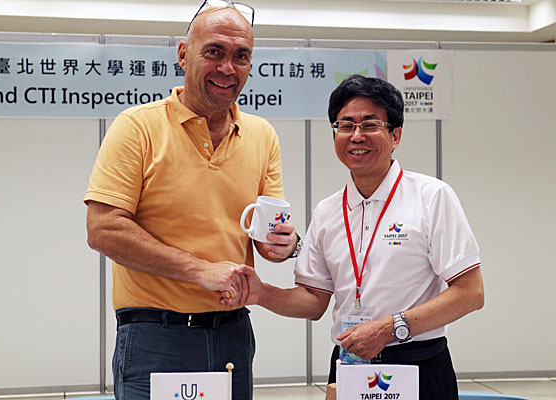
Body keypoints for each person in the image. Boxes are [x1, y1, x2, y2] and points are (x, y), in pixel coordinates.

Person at [84, 2, 299, 400]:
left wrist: (284, 244)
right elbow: (103, 230)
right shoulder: (137, 127)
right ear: (183, 54)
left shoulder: (262, 134)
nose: (227, 68)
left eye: (241, 56)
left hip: (233, 333)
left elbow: (267, 237)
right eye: (214, 51)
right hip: (155, 336)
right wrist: (200, 271)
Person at [232, 74, 484, 400]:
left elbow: (470, 293)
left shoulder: (431, 197)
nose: (356, 136)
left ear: (395, 135)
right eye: (346, 125)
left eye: (370, 124)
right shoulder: (327, 211)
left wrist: (389, 328)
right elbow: (313, 301)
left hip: (418, 363)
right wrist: (260, 293)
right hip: (350, 363)